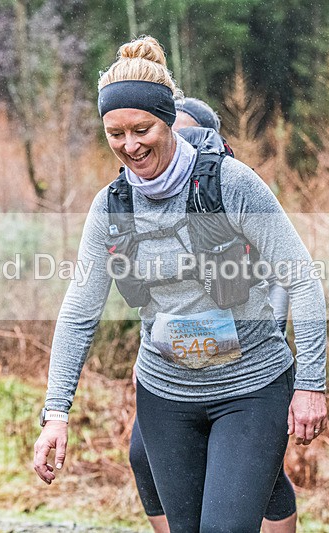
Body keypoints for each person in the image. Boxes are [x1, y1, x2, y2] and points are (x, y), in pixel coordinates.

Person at [34, 36, 327, 532]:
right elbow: (80, 310)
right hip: (165, 396)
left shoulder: (229, 182)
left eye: (142, 129)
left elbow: (301, 279)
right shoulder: (111, 207)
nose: (131, 146)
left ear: (168, 119)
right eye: (116, 134)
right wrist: (55, 414)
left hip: (250, 389)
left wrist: (311, 384)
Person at [128, 97, 298, 533]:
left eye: (187, 134)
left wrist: (269, 348)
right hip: (175, 377)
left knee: (263, 481)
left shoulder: (233, 188)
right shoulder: (143, 196)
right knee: (141, 456)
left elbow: (284, 278)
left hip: (245, 373)